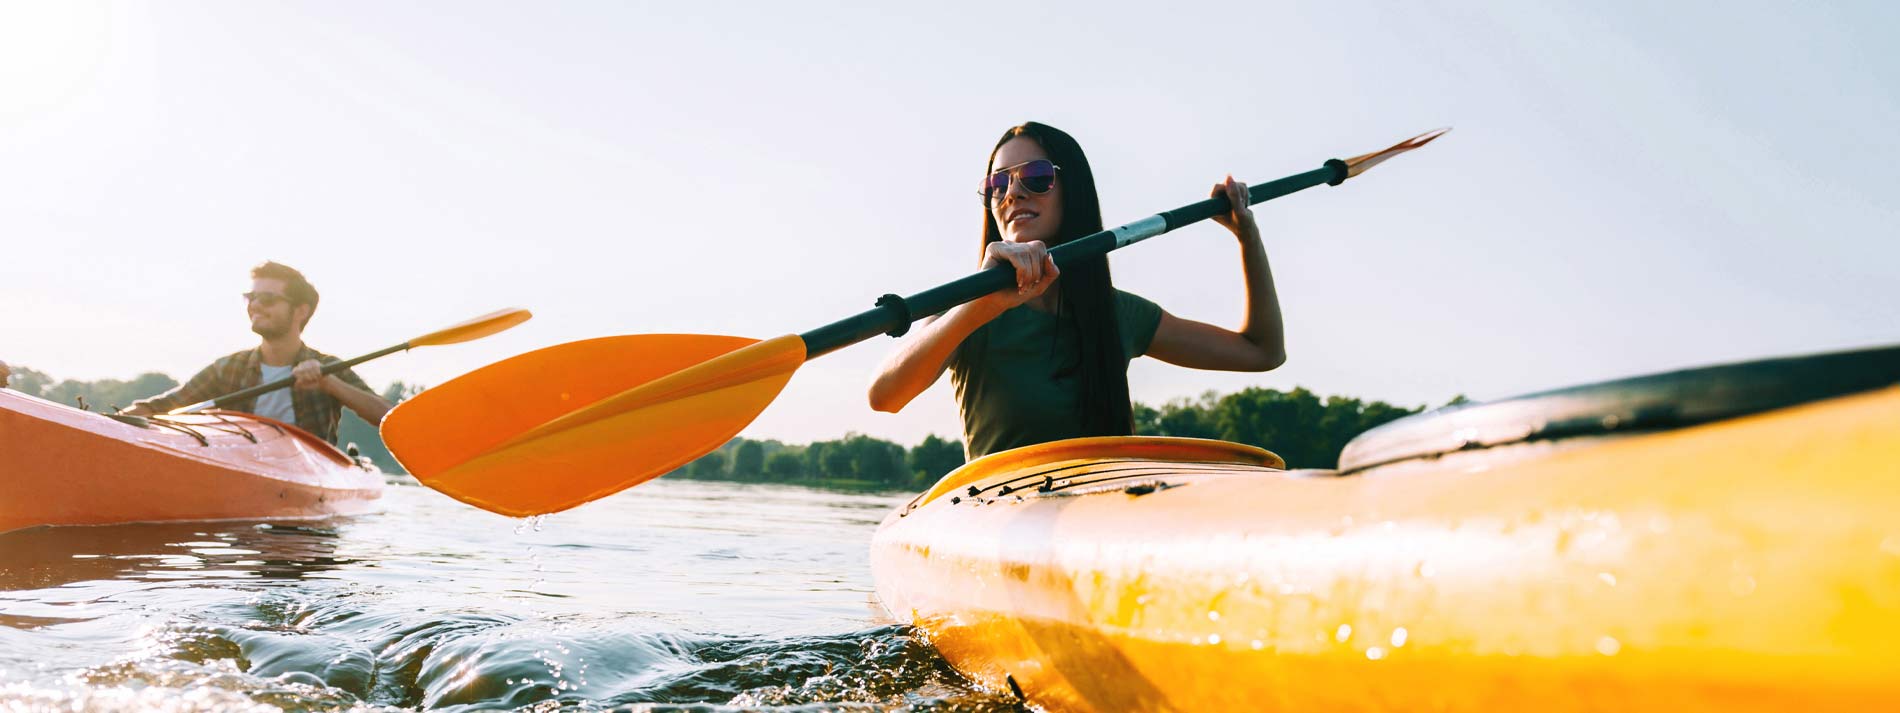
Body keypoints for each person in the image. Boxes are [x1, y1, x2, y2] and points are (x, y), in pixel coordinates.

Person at [868, 122, 1287, 459]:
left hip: (1099, 509)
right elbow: (885, 396)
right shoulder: (965, 308)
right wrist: (981, 305)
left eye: (1035, 177)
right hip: (999, 512)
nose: (1012, 192)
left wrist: (1247, 238)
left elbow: (1262, 352)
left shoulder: (1118, 313)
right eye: (998, 184)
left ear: (1074, 193)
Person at [124, 261, 391, 443]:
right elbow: (163, 407)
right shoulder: (228, 368)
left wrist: (329, 384)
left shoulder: (327, 366)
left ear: (301, 311)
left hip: (307, 476)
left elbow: (387, 418)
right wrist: (109, 422)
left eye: (268, 299)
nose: (255, 306)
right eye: (251, 298)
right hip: (241, 468)